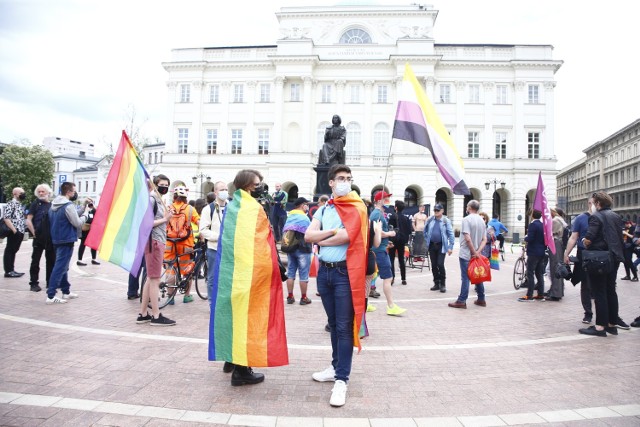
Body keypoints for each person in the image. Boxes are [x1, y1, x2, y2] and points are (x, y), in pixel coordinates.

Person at [209, 169, 288, 386]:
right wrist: (272, 268)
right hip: (250, 274)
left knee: (232, 314)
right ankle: (242, 370)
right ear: (246, 186)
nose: (260, 187)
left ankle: (231, 359)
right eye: (256, 185)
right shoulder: (252, 208)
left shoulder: (233, 206)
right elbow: (262, 243)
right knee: (248, 317)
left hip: (231, 272)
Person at [305, 164, 367, 407]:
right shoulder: (324, 208)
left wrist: (323, 239)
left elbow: (347, 237)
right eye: (341, 178)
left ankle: (342, 379)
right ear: (330, 182)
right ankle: (334, 367)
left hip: (344, 273)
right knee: (333, 324)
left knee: (343, 327)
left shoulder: (357, 207)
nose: (345, 182)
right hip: (325, 274)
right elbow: (308, 236)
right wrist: (332, 232)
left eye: (348, 178)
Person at [580, 191, 628, 336]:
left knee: (599, 291)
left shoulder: (596, 216)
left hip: (600, 259)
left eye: (593, 203)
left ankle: (600, 326)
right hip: (615, 258)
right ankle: (612, 324)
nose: (592, 205)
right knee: (610, 291)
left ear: (598, 204)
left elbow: (589, 238)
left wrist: (584, 241)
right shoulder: (615, 216)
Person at [137, 174, 176, 325]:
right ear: (155, 184)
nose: (164, 187)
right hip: (154, 241)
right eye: (162, 184)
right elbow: (146, 223)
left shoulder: (158, 200)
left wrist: (166, 217)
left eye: (167, 185)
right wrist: (165, 219)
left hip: (157, 240)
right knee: (155, 279)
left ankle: (143, 313)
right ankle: (156, 315)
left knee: (150, 278)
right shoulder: (152, 199)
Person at [46, 182, 90, 304]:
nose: (75, 193)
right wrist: (86, 214)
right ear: (69, 192)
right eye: (74, 191)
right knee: (60, 267)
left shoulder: (54, 204)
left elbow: (70, 216)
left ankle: (66, 291)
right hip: (66, 239)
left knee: (63, 266)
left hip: (56, 238)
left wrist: (83, 207)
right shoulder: (68, 205)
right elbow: (77, 222)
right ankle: (51, 295)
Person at [369, 191, 406, 316]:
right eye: (385, 198)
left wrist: (387, 241)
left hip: (380, 248)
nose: (387, 201)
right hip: (379, 251)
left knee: (370, 277)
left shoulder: (378, 213)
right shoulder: (377, 214)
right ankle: (390, 306)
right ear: (379, 200)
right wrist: (390, 234)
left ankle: (366, 303)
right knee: (387, 277)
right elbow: (375, 232)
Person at [164, 185, 200, 303]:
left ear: (174, 196)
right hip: (186, 244)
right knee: (188, 269)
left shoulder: (168, 207)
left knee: (170, 269)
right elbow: (199, 222)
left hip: (170, 243)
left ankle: (170, 297)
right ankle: (187, 296)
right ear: (186, 197)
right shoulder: (190, 209)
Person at [448, 200, 487, 309]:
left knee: (465, 277)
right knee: (478, 275)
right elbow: (484, 239)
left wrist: (473, 252)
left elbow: (467, 238)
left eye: (467, 206)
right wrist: (478, 252)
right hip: (477, 253)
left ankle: (462, 300)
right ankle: (481, 298)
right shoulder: (482, 220)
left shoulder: (466, 219)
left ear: (469, 208)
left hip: (466, 252)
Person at [563, 196, 595, 323]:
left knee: (600, 285)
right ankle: (588, 313)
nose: (595, 206)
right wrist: (566, 253)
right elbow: (573, 237)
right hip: (584, 254)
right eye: (593, 203)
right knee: (586, 285)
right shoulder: (581, 218)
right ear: (589, 203)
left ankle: (605, 314)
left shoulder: (604, 217)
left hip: (601, 254)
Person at [199, 181, 229, 302]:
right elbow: (203, 230)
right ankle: (212, 302)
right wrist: (219, 236)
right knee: (212, 276)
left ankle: (224, 301)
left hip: (228, 248)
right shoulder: (208, 209)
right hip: (214, 248)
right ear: (216, 192)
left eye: (226, 189)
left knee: (227, 276)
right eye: (222, 189)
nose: (225, 192)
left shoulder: (231, 207)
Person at [283, 197, 313, 305]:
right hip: (303, 249)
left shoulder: (290, 216)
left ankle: (290, 296)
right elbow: (309, 233)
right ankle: (304, 298)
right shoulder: (304, 218)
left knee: (290, 273)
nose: (307, 206)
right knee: (303, 274)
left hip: (291, 248)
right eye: (306, 204)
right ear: (302, 205)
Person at [26, 184, 55, 292]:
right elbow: (28, 220)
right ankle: (34, 283)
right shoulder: (35, 204)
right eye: (39, 192)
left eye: (43, 191)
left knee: (51, 260)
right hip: (38, 237)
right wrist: (34, 233)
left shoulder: (52, 205)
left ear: (48, 192)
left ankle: (49, 282)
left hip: (50, 237)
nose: (41, 193)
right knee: (35, 261)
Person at [424, 203, 454, 293]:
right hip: (432, 245)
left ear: (442, 211)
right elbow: (424, 230)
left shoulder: (445, 221)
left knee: (440, 264)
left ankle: (443, 284)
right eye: (435, 210)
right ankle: (436, 283)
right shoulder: (430, 220)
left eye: (438, 210)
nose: (436, 212)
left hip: (441, 245)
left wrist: (450, 247)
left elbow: (450, 234)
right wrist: (427, 240)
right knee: (433, 265)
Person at [518, 210, 547, 302]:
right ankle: (540, 294)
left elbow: (530, 238)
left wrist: (525, 237)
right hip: (541, 251)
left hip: (533, 252)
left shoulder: (533, 225)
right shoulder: (543, 225)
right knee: (539, 274)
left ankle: (529, 295)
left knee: (530, 273)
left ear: (532, 216)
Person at [3, 187, 27, 278]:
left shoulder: (18, 204)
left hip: (19, 230)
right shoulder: (11, 204)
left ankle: (12, 269)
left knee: (13, 250)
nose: (23, 194)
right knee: (10, 250)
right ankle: (8, 271)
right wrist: (14, 230)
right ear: (15, 194)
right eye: (21, 193)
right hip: (14, 231)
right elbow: (6, 218)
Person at [388, 200, 411, 285]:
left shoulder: (392, 217)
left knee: (391, 259)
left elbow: (389, 228)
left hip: (393, 240)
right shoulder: (406, 218)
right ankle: (403, 279)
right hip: (402, 241)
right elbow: (409, 230)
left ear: (396, 208)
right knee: (401, 259)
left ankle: (392, 277)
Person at [546, 208, 567, 301]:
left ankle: (555, 293)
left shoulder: (555, 221)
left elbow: (550, 233)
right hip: (559, 244)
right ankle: (558, 291)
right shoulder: (560, 219)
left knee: (555, 267)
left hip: (555, 243)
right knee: (558, 267)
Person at [76, 198, 99, 266]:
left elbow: (98, 214)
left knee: (93, 244)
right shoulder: (83, 209)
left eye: (91, 203)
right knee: (83, 243)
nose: (90, 204)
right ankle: (79, 260)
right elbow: (78, 215)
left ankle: (94, 259)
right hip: (85, 229)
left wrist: (93, 207)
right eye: (89, 203)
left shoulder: (93, 210)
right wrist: (85, 207)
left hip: (92, 229)